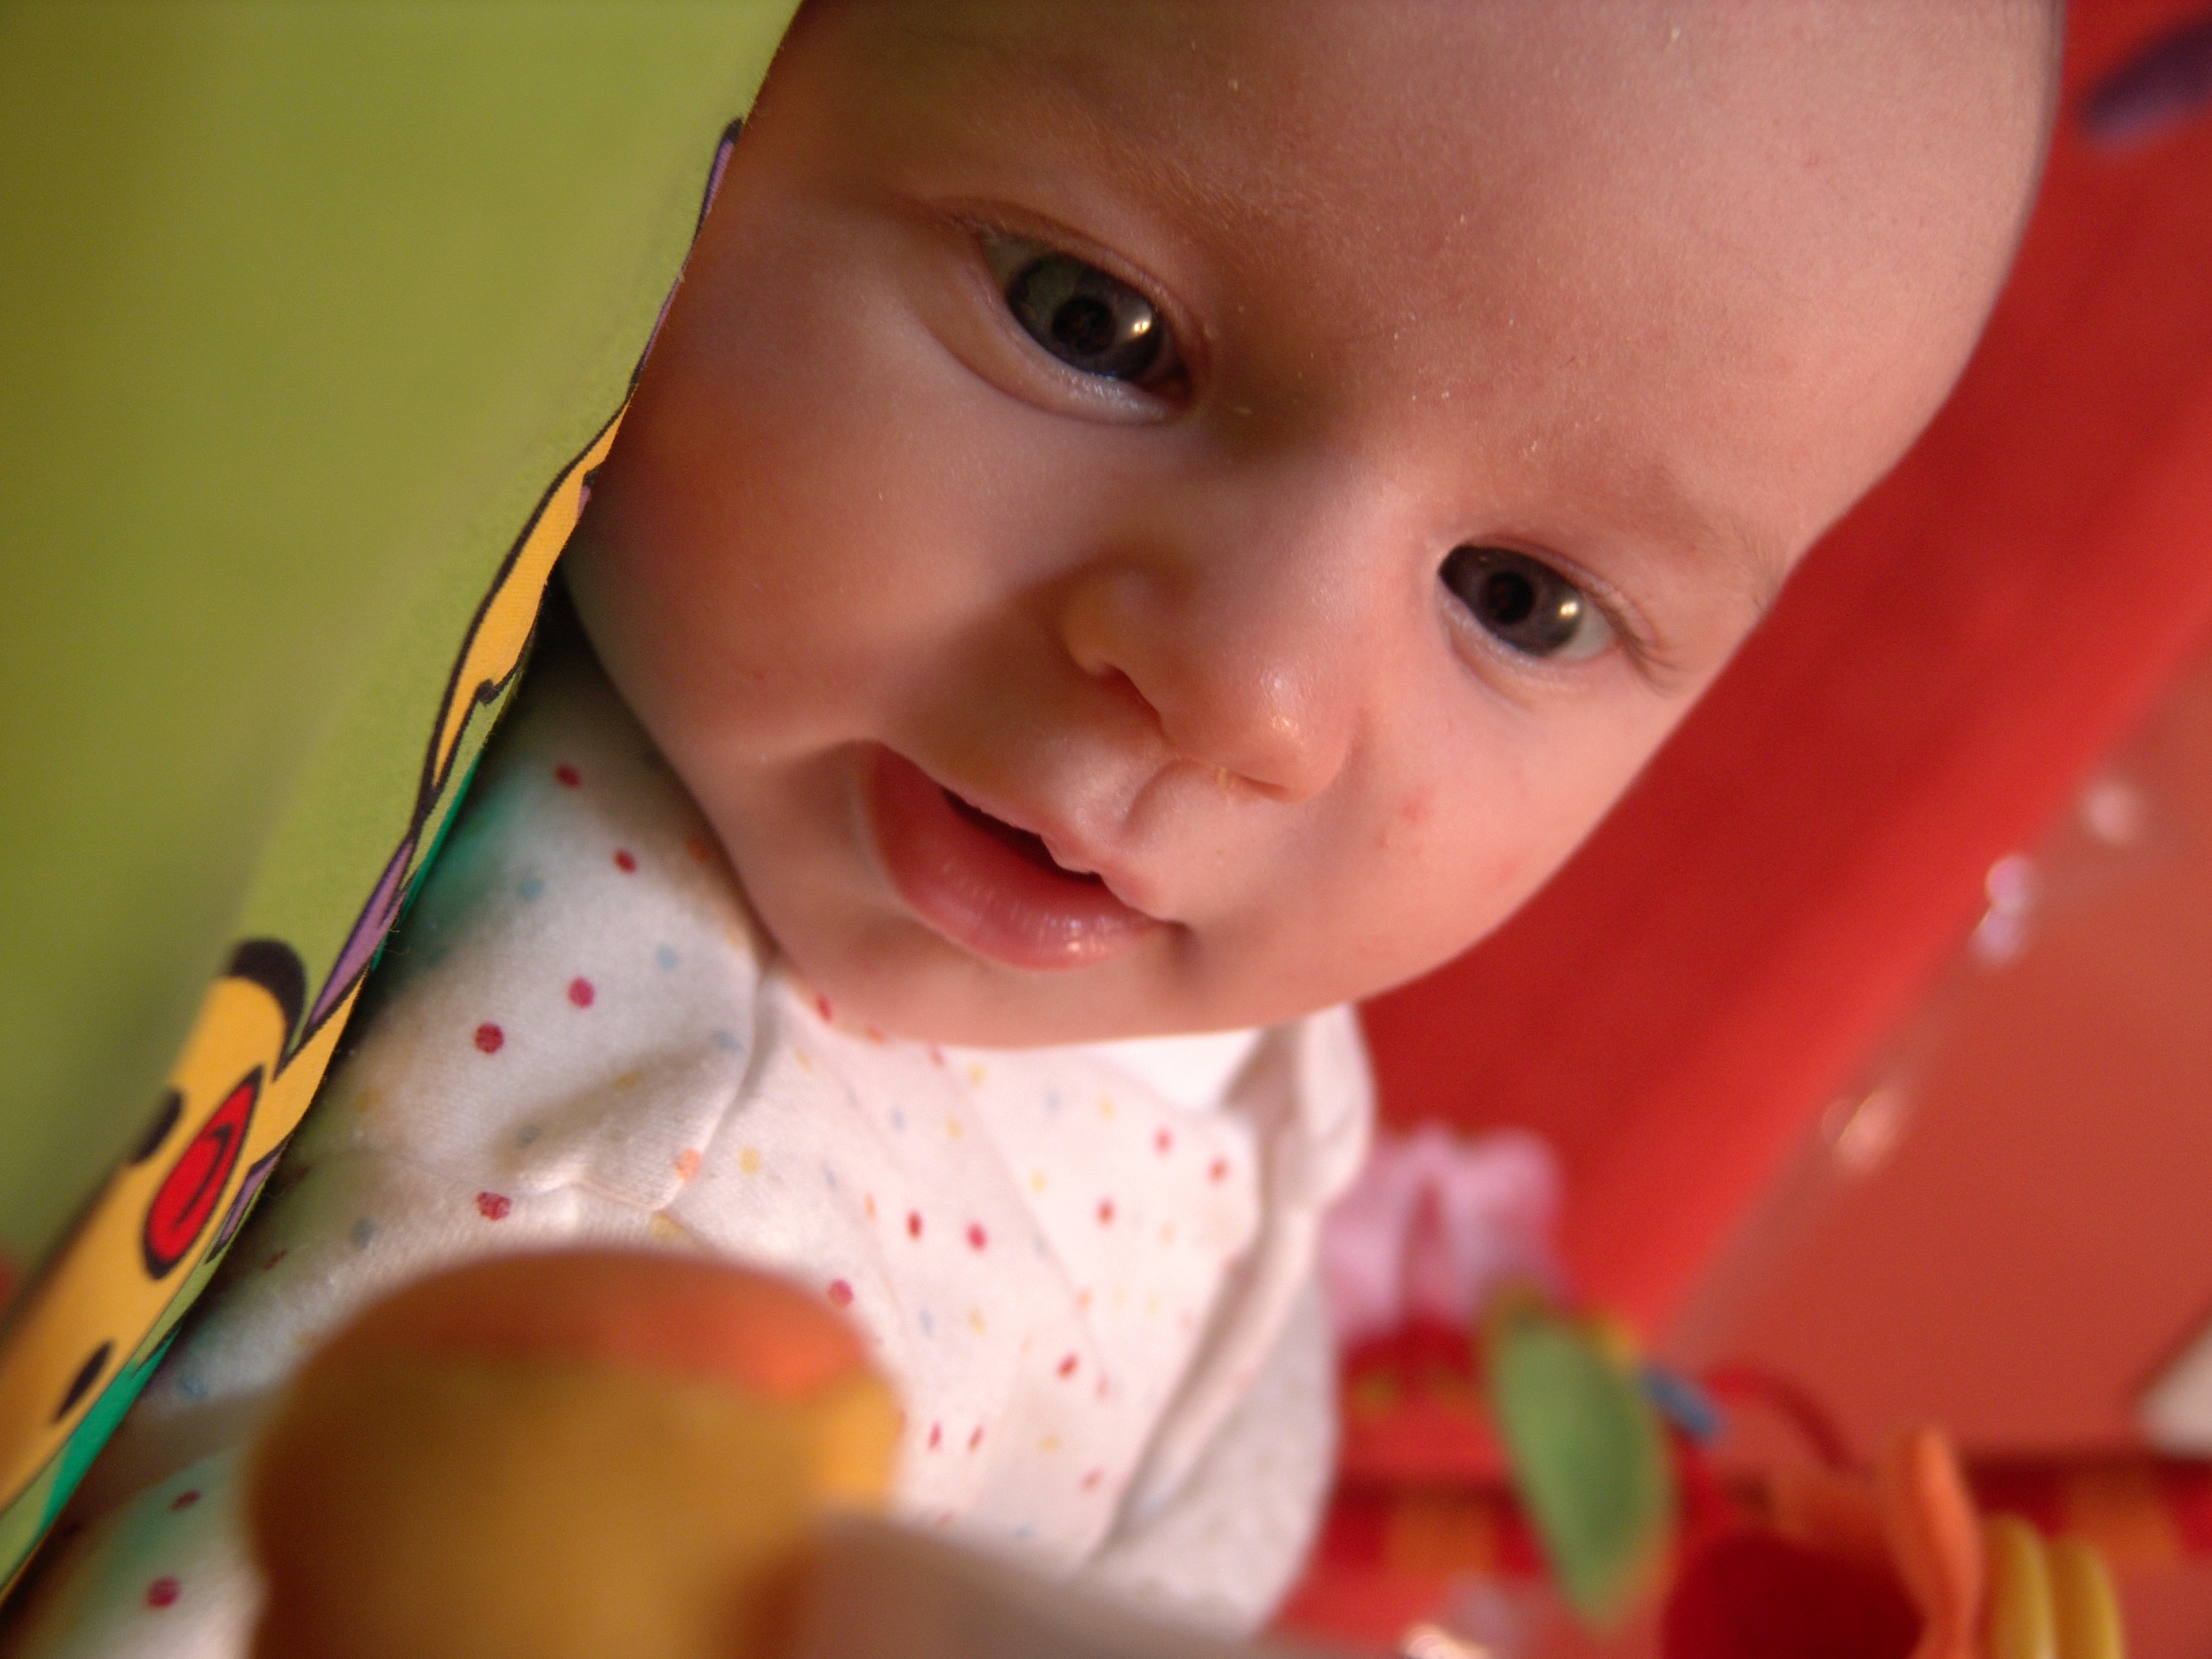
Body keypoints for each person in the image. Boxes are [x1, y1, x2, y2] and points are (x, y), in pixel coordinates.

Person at [0, 1, 2060, 1652]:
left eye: (1518, 602)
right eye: (1095, 326)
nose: (1251, 696)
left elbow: (1215, 1422)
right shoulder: (593, 1179)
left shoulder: (1202, 1025)